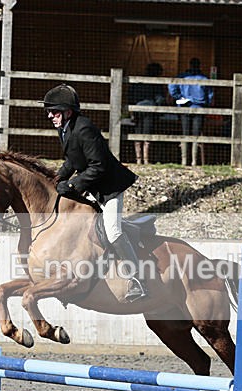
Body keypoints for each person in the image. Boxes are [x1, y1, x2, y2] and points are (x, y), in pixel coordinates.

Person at [42, 83, 148, 302]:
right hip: (93, 186)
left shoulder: (84, 128)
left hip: (109, 189)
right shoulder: (66, 129)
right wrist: (56, 179)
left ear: (67, 111)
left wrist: (72, 186)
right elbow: (73, 160)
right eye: (49, 112)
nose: (50, 115)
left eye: (54, 111)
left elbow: (98, 166)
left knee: (113, 232)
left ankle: (138, 278)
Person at [168, 57, 213, 166]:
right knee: (196, 134)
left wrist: (178, 96)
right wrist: (207, 103)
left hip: (185, 106)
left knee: (185, 133)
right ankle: (194, 161)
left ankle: (184, 160)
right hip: (199, 107)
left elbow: (171, 87)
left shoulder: (183, 76)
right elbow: (210, 94)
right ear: (199, 65)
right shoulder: (204, 78)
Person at [127, 62, 165, 165]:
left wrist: (131, 108)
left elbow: (130, 96)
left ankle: (138, 159)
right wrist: (158, 107)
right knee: (147, 134)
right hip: (150, 110)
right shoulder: (156, 82)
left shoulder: (137, 81)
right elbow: (160, 98)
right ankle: (146, 159)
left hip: (137, 109)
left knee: (138, 132)